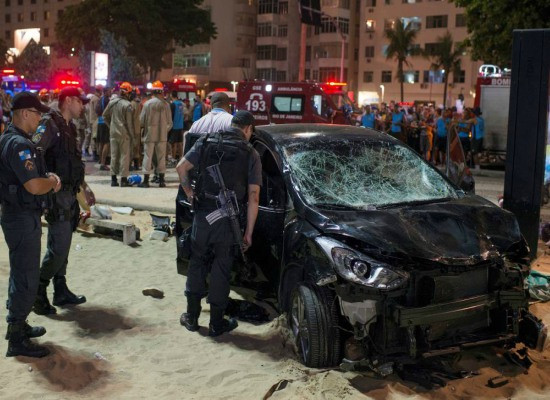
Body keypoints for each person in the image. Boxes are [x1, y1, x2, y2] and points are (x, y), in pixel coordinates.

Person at [176, 110, 261, 336]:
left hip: (204, 215)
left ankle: (191, 317)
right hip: (227, 220)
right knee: (222, 268)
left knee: (197, 262)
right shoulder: (250, 153)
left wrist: (189, 193)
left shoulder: (207, 141)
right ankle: (216, 322)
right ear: (248, 129)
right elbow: (254, 197)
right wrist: (249, 232)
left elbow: (181, 167)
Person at [0, 92, 61, 357]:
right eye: (37, 114)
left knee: (21, 272)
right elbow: (34, 185)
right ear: (25, 113)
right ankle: (17, 340)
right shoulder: (18, 144)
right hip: (22, 217)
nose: (40, 119)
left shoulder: (12, 140)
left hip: (19, 216)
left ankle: (18, 324)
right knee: (26, 276)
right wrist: (53, 182)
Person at [33, 87, 96, 316]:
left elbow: (73, 162)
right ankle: (38, 293)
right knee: (57, 248)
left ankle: (60, 289)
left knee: (65, 245)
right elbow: (35, 150)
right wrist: (47, 180)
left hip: (71, 195)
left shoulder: (69, 126)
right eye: (80, 102)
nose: (83, 106)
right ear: (68, 101)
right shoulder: (49, 123)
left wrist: (85, 188)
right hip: (57, 196)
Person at [139, 81, 172, 188]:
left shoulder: (147, 104)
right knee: (161, 157)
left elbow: (141, 121)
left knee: (147, 157)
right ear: (161, 92)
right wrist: (164, 130)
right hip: (162, 135)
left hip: (149, 134)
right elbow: (170, 123)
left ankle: (146, 181)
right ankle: (162, 180)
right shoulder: (166, 105)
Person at [102, 82, 135, 187]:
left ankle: (113, 179)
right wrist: (133, 136)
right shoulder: (127, 105)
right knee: (124, 156)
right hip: (124, 133)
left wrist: (110, 125)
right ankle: (123, 180)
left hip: (113, 132)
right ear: (128, 93)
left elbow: (104, 116)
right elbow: (129, 124)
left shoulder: (112, 102)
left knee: (114, 155)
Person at [96, 88, 111, 170]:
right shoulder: (107, 100)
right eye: (109, 91)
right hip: (106, 123)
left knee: (101, 143)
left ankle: (100, 160)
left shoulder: (100, 99)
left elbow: (96, 111)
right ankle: (103, 163)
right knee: (107, 143)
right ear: (106, 92)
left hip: (99, 122)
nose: (110, 93)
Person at [169, 91, 185, 161]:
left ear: (171, 95)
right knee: (180, 142)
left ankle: (173, 158)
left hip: (174, 126)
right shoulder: (181, 104)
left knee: (174, 143)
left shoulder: (173, 104)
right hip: (180, 125)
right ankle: (181, 157)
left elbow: (171, 116)